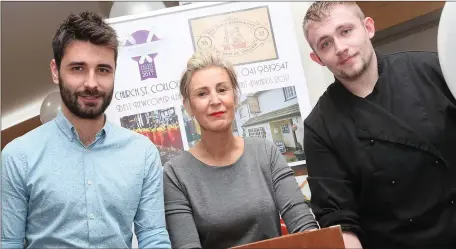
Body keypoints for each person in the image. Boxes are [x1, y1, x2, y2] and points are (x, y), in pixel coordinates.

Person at [1, 11, 171, 249]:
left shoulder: (143, 154)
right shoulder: (17, 156)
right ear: (55, 71)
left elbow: (153, 236)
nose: (91, 83)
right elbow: (9, 243)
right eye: (78, 68)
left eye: (103, 69)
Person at [302, 1, 456, 248]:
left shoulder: (430, 70)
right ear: (317, 58)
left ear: (368, 28)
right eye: (326, 43)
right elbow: (339, 219)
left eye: (345, 31)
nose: (340, 48)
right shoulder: (319, 127)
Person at [163, 50, 319, 249]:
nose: (215, 101)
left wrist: (315, 240)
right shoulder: (176, 174)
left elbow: (302, 223)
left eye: (222, 89)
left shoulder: (265, 152)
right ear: (188, 106)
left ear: (235, 97)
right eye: (202, 93)